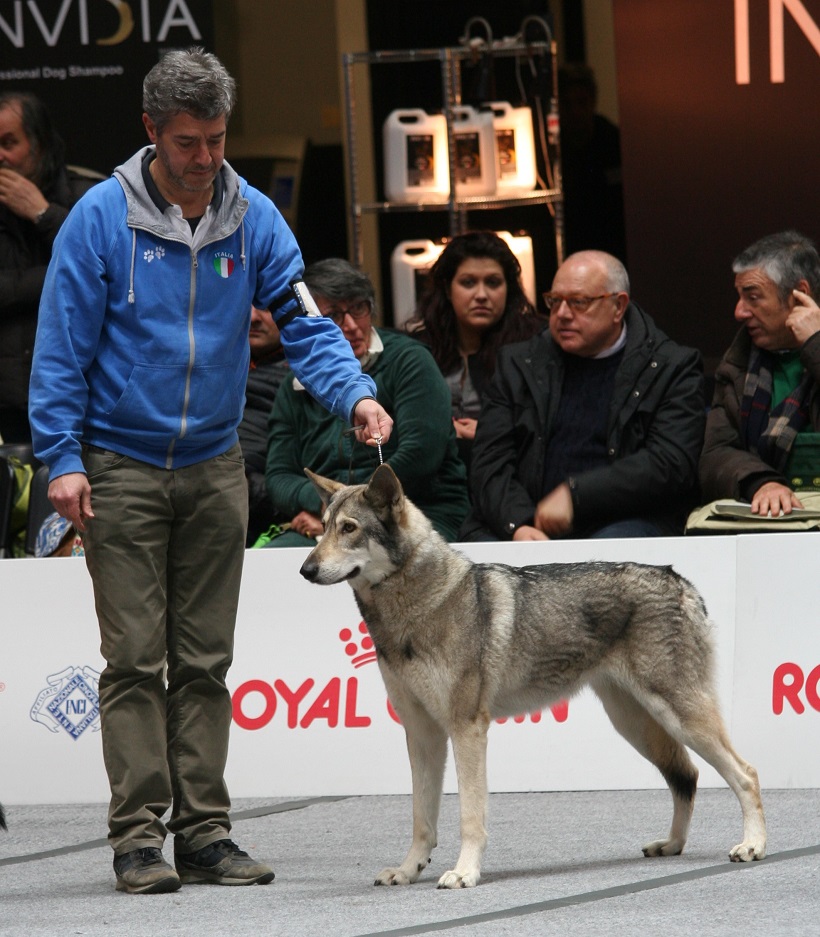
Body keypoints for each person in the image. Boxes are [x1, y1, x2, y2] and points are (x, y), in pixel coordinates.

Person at [28, 48, 392, 895]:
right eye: (187, 142)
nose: (205, 160)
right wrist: (62, 459)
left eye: (217, 140)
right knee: (131, 662)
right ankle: (136, 841)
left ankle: (206, 833)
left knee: (204, 661)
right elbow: (60, 351)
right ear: (151, 131)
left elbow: (304, 326)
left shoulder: (255, 215)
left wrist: (356, 396)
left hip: (214, 464)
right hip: (117, 468)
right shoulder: (96, 220)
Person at [460, 249, 705, 541]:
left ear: (618, 306)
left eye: (578, 302)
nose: (562, 314)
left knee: (609, 552)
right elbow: (490, 461)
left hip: (623, 520)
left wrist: (577, 495)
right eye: (555, 301)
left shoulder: (671, 367)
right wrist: (519, 524)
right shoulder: (518, 363)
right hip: (523, 521)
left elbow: (670, 463)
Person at [265, 258, 468, 547]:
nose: (351, 325)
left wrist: (345, 509)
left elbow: (422, 455)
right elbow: (278, 476)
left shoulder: (409, 361)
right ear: (311, 325)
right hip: (327, 519)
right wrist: (323, 505)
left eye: (359, 308)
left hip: (416, 512)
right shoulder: (294, 385)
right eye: (333, 315)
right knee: (273, 566)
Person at [0, 91, 100, 443]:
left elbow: (107, 269)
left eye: (8, 143)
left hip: (84, 406)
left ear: (39, 144)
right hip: (7, 411)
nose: (0, 156)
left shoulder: (90, 199)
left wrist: (44, 215)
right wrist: (59, 279)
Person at [698, 231, 820, 517]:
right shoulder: (739, 361)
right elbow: (715, 454)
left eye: (753, 297)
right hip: (768, 518)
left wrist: (815, 344)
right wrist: (760, 482)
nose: (739, 312)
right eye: (740, 297)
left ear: (799, 293)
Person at [405, 231, 545, 445]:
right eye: (468, 283)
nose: (481, 295)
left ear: (509, 289)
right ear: (448, 289)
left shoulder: (534, 345)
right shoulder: (419, 348)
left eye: (493, 282)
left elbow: (549, 424)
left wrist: (492, 431)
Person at [557, 63, 627, 262]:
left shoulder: (614, 142)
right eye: (567, 104)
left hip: (614, 250)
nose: (575, 112)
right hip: (570, 252)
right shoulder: (550, 152)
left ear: (593, 101)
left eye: (581, 102)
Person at [238, 305, 290, 546]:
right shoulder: (201, 364)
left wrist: (248, 486)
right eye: (244, 303)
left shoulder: (307, 373)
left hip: (261, 500)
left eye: (265, 307)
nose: (253, 317)